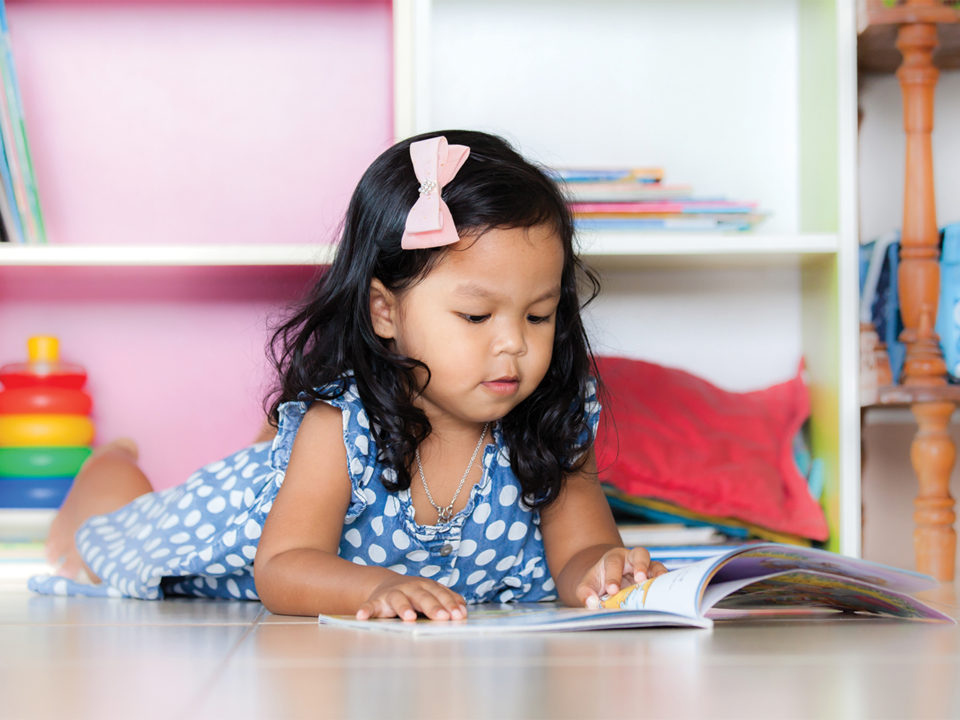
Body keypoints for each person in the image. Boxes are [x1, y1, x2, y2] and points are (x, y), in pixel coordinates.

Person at [33, 130, 667, 619]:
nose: (514, 346)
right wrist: (379, 587)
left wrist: (604, 570)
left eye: (538, 315)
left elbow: (578, 552)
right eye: (476, 316)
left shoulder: (551, 420)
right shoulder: (342, 424)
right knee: (102, 541)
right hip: (225, 527)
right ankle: (108, 468)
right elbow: (282, 567)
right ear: (384, 310)